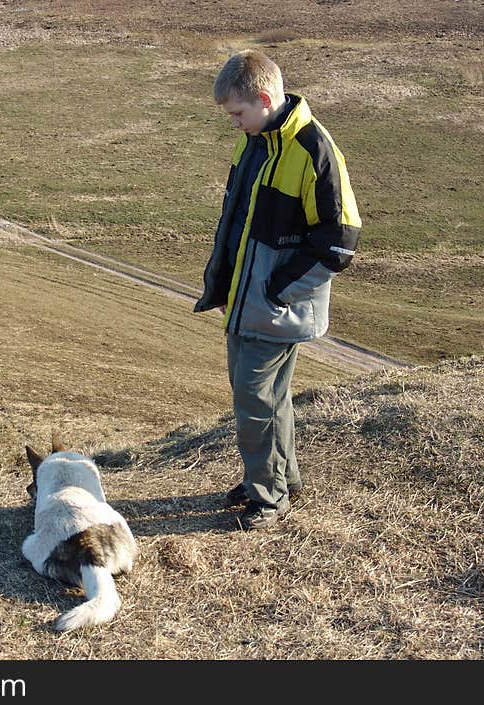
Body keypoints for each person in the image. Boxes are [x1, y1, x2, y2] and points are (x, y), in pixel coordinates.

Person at [194, 49, 361, 530]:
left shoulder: (313, 150)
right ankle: (280, 478)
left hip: (271, 306)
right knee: (268, 396)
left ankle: (267, 498)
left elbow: (341, 242)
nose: (233, 124)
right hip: (251, 302)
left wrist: (277, 290)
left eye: (237, 114)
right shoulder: (256, 141)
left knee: (254, 398)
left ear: (265, 99)